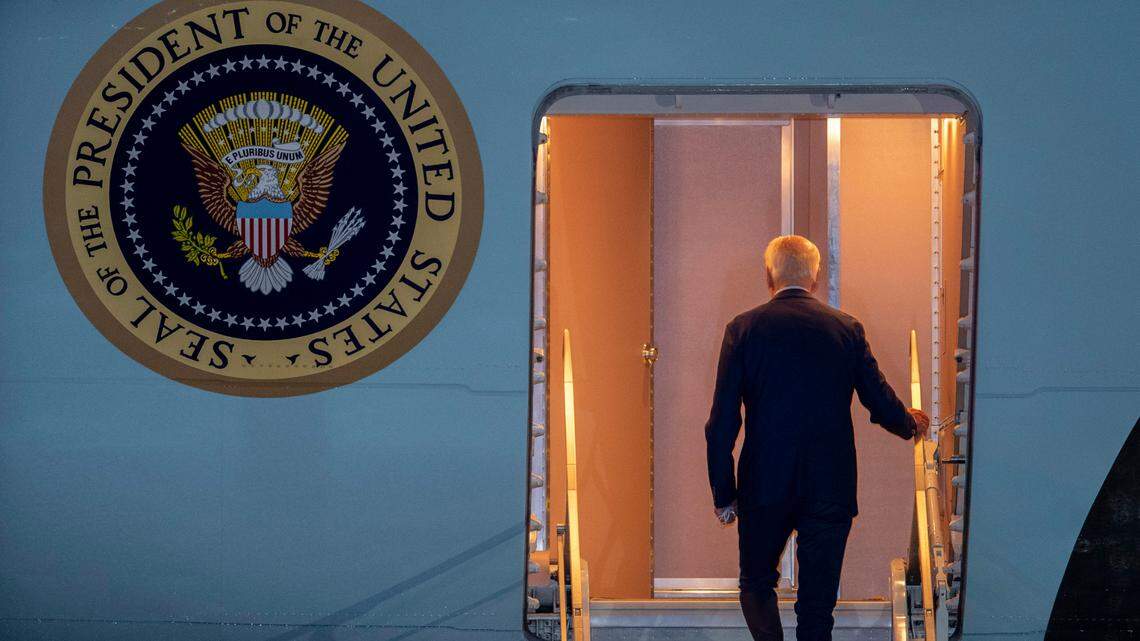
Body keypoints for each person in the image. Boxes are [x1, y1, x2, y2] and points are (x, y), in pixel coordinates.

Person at [705, 235, 930, 641]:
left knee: (756, 584)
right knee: (817, 605)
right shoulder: (846, 329)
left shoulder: (743, 329)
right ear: (815, 276)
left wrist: (724, 492)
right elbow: (877, 399)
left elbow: (722, 420)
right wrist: (908, 423)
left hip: (764, 482)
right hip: (830, 484)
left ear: (768, 275)